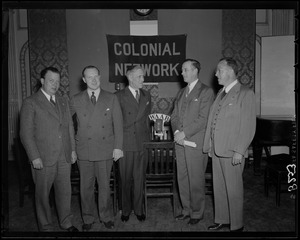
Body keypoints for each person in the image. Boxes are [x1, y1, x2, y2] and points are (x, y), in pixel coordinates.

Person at [20, 67, 79, 232]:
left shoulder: (63, 100)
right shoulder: (31, 102)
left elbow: (69, 128)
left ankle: (66, 222)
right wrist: (34, 157)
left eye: (58, 81)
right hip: (43, 158)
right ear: (42, 81)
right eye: (51, 80)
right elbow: (25, 134)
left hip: (64, 156)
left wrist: (72, 150)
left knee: (64, 193)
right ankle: (46, 227)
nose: (55, 84)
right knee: (42, 196)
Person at [203, 57, 256, 232]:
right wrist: (209, 144)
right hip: (217, 150)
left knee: (233, 190)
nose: (216, 73)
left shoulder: (245, 93)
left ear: (231, 71)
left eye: (219, 70)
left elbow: (248, 126)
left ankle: (236, 225)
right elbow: (213, 120)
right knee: (219, 188)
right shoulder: (220, 92)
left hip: (233, 151)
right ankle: (222, 219)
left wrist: (240, 151)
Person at [70, 65, 123, 231]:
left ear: (100, 77)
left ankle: (106, 216)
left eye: (96, 77)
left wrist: (118, 147)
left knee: (104, 186)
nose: (93, 80)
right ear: (84, 80)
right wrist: (72, 149)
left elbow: (119, 125)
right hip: (84, 149)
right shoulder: (75, 99)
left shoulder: (111, 98)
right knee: (85, 187)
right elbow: (69, 128)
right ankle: (87, 217)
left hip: (105, 148)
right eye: (89, 77)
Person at [170, 59, 215, 225]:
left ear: (195, 71)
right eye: (182, 70)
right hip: (180, 143)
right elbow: (174, 116)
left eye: (185, 70)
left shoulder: (206, 92)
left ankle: (197, 213)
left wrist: (184, 133)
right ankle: (186, 210)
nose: (182, 73)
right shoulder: (181, 92)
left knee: (196, 179)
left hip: (195, 144)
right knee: (182, 178)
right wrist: (176, 132)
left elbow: (203, 119)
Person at [115, 65, 152, 222]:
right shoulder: (118, 96)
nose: (143, 79)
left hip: (142, 143)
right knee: (125, 179)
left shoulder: (147, 95)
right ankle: (125, 209)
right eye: (139, 76)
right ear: (129, 77)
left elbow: (146, 118)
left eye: (143, 76)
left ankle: (138, 209)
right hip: (126, 143)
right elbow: (115, 122)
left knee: (139, 178)